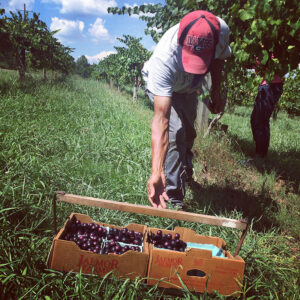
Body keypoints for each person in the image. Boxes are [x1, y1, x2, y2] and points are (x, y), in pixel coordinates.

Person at [142, 10, 231, 209]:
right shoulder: (164, 60)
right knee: (175, 132)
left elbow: (218, 60)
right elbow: (161, 121)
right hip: (166, 89)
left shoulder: (221, 31)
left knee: (188, 133)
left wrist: (216, 90)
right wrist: (156, 171)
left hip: (189, 88)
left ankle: (186, 173)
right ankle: (173, 197)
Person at [250, 55, 284, 157]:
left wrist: (255, 60)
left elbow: (264, 62)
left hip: (271, 85)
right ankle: (260, 152)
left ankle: (260, 154)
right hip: (267, 85)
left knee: (260, 121)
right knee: (257, 120)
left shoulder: (271, 47)